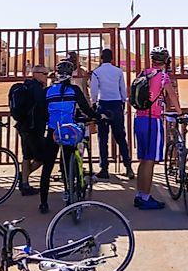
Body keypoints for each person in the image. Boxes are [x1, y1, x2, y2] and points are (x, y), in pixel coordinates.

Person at [39, 60, 99, 214]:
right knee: (67, 165)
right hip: (69, 131)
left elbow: (43, 112)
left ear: (57, 74)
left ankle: (43, 203)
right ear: (72, 74)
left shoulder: (48, 91)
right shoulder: (74, 90)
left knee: (47, 167)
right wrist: (97, 116)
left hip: (53, 131)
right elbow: (86, 109)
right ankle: (69, 195)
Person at [133, 46, 182, 210]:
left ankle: (140, 195)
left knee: (143, 160)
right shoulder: (163, 77)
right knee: (150, 161)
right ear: (166, 61)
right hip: (152, 120)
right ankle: (146, 197)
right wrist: (180, 113)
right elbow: (172, 96)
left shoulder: (143, 73)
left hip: (139, 118)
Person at [90, 48, 133, 180]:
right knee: (120, 137)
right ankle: (128, 167)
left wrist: (94, 103)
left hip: (103, 105)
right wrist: (123, 101)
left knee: (103, 138)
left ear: (101, 58)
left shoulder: (96, 72)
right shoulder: (118, 71)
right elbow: (123, 89)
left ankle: (104, 169)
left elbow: (94, 91)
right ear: (112, 58)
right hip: (116, 105)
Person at [14, 65, 50, 196]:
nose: (47, 76)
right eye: (45, 74)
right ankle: (23, 178)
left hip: (23, 126)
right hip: (34, 128)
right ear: (36, 74)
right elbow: (42, 106)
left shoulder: (26, 86)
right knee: (42, 157)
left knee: (27, 156)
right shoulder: (37, 88)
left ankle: (24, 184)